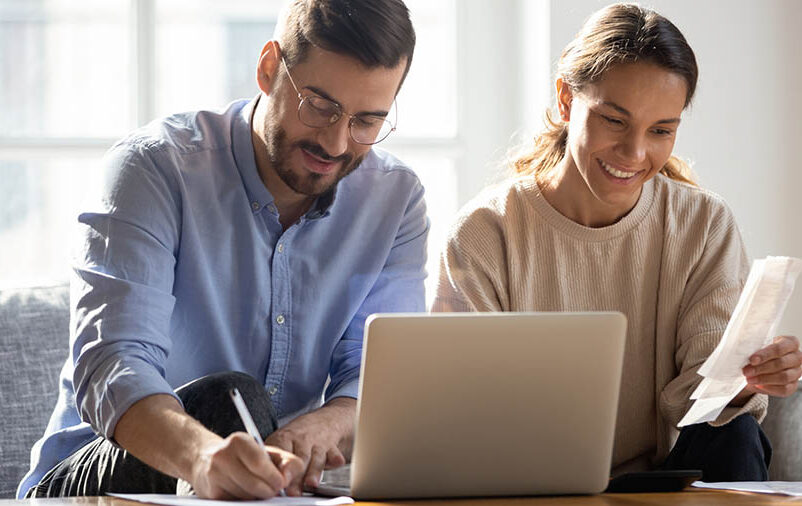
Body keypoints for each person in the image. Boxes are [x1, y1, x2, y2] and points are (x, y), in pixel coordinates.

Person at [19, 0, 427, 499]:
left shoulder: (396, 201)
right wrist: (204, 456)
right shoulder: (154, 169)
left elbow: (377, 376)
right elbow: (113, 364)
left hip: (264, 487)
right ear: (269, 67)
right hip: (89, 482)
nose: (338, 143)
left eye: (366, 121)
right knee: (230, 400)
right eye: (320, 107)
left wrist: (320, 428)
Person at [432, 3, 801, 481]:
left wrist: (745, 379)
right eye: (614, 120)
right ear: (566, 100)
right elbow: (463, 409)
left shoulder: (703, 223)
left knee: (737, 433)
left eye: (661, 130)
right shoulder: (486, 234)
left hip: (667, 478)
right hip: (527, 477)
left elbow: (703, 398)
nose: (635, 153)